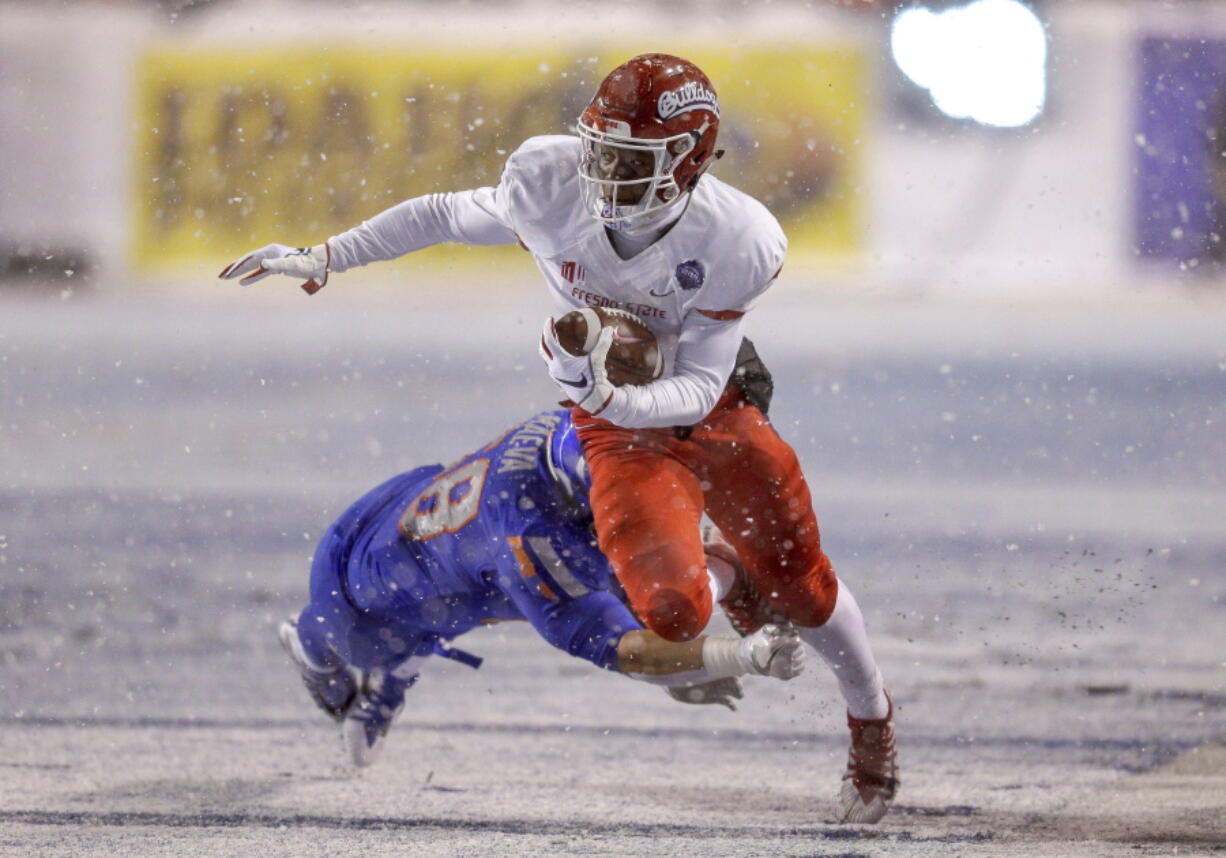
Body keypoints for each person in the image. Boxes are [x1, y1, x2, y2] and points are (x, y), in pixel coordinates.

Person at [223, 53, 896, 823]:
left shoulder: (737, 238)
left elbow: (700, 389)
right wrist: (330, 255)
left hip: (710, 406)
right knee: (672, 613)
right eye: (599, 149)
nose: (603, 172)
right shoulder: (549, 184)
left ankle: (871, 716)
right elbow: (443, 213)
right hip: (608, 427)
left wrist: (606, 388)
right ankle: (722, 571)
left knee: (804, 584)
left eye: (628, 158)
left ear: (690, 159)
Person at [280, 409, 805, 767]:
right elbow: (628, 652)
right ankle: (323, 654)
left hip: (416, 517)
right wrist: (740, 656)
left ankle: (400, 661)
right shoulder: (536, 544)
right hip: (363, 591)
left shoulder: (573, 436)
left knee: (476, 587)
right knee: (378, 642)